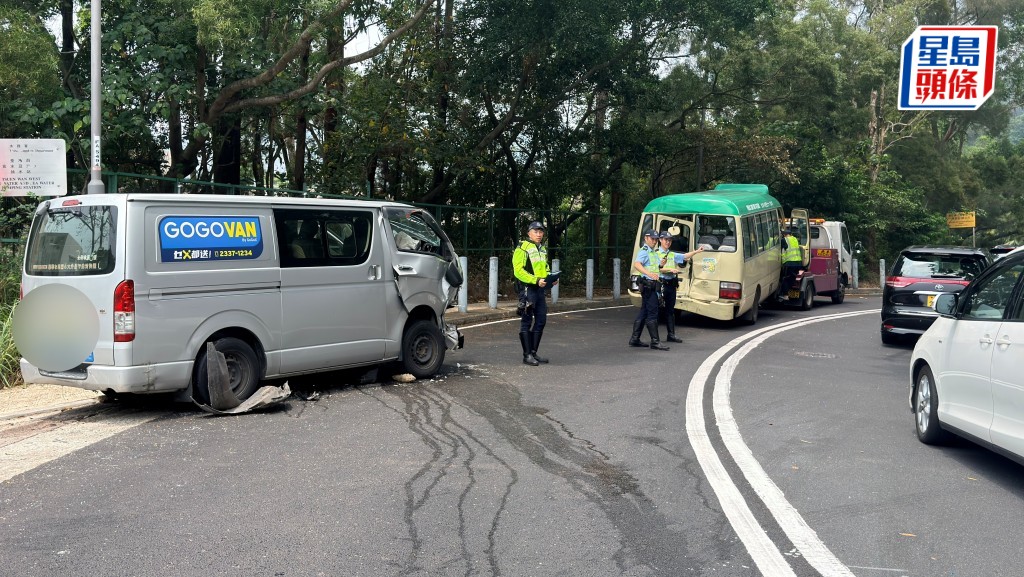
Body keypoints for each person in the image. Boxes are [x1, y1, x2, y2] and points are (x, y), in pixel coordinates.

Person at [513, 221, 557, 366]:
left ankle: (533, 352)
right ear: (529, 233)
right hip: (528, 289)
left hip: (540, 289)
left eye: (541, 231)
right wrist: (535, 280)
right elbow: (518, 271)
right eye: (535, 231)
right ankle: (527, 355)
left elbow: (545, 267)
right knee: (526, 321)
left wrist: (551, 278)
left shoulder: (542, 249)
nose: (539, 234)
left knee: (541, 320)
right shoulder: (522, 248)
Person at [657, 231, 704, 342]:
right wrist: (670, 269)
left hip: (671, 285)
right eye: (665, 240)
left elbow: (684, 256)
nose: (668, 242)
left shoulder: (672, 254)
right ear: (660, 240)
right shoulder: (655, 254)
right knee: (655, 311)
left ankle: (671, 335)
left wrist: (696, 252)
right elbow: (657, 268)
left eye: (669, 240)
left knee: (670, 311)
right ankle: (654, 338)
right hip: (661, 284)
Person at [629, 229, 670, 350]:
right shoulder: (644, 250)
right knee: (653, 313)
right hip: (648, 285)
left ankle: (635, 339)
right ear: (646, 238)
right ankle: (655, 342)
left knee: (644, 311)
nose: (654, 241)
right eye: (652, 239)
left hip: (652, 285)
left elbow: (655, 267)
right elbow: (637, 264)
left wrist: (661, 264)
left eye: (656, 239)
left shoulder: (652, 252)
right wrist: (649, 274)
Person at [779, 227, 802, 298]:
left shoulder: (784, 240)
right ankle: (791, 295)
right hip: (798, 263)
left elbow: (782, 251)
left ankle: (785, 295)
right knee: (792, 279)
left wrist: (783, 263)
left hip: (789, 263)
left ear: (784, 235)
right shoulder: (795, 239)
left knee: (785, 278)